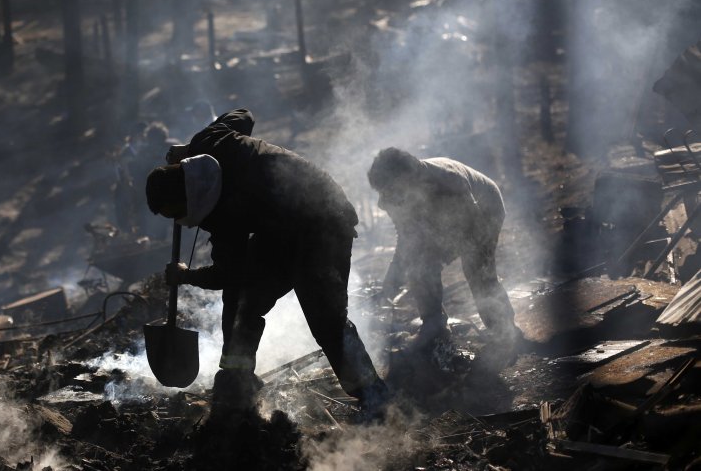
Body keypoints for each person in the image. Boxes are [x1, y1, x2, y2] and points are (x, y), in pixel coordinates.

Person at [146, 108, 388, 415]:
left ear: (189, 200)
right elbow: (241, 116)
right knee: (243, 298)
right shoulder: (210, 141)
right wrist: (192, 149)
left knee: (326, 317)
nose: (178, 222)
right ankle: (237, 380)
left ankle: (374, 395)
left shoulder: (223, 215)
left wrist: (186, 276)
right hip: (277, 227)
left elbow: (227, 273)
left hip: (324, 220)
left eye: (173, 213)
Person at [367, 148, 521, 354]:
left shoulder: (449, 180)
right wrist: (391, 283)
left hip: (485, 209)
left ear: (407, 177)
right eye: (384, 191)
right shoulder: (394, 196)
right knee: (418, 264)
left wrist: (444, 253)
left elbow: (474, 229)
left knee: (477, 270)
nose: (385, 198)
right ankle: (434, 325)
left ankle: (503, 330)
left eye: (391, 189)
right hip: (441, 218)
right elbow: (406, 240)